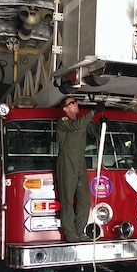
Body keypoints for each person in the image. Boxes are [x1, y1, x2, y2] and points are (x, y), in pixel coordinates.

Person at [56, 97, 104, 242]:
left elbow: (96, 133)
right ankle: (70, 233)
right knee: (67, 201)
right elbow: (76, 125)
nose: (76, 104)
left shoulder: (84, 122)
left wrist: (102, 125)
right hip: (66, 162)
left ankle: (80, 231)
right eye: (72, 103)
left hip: (80, 162)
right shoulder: (63, 122)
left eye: (76, 101)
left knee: (85, 200)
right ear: (65, 109)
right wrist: (93, 111)